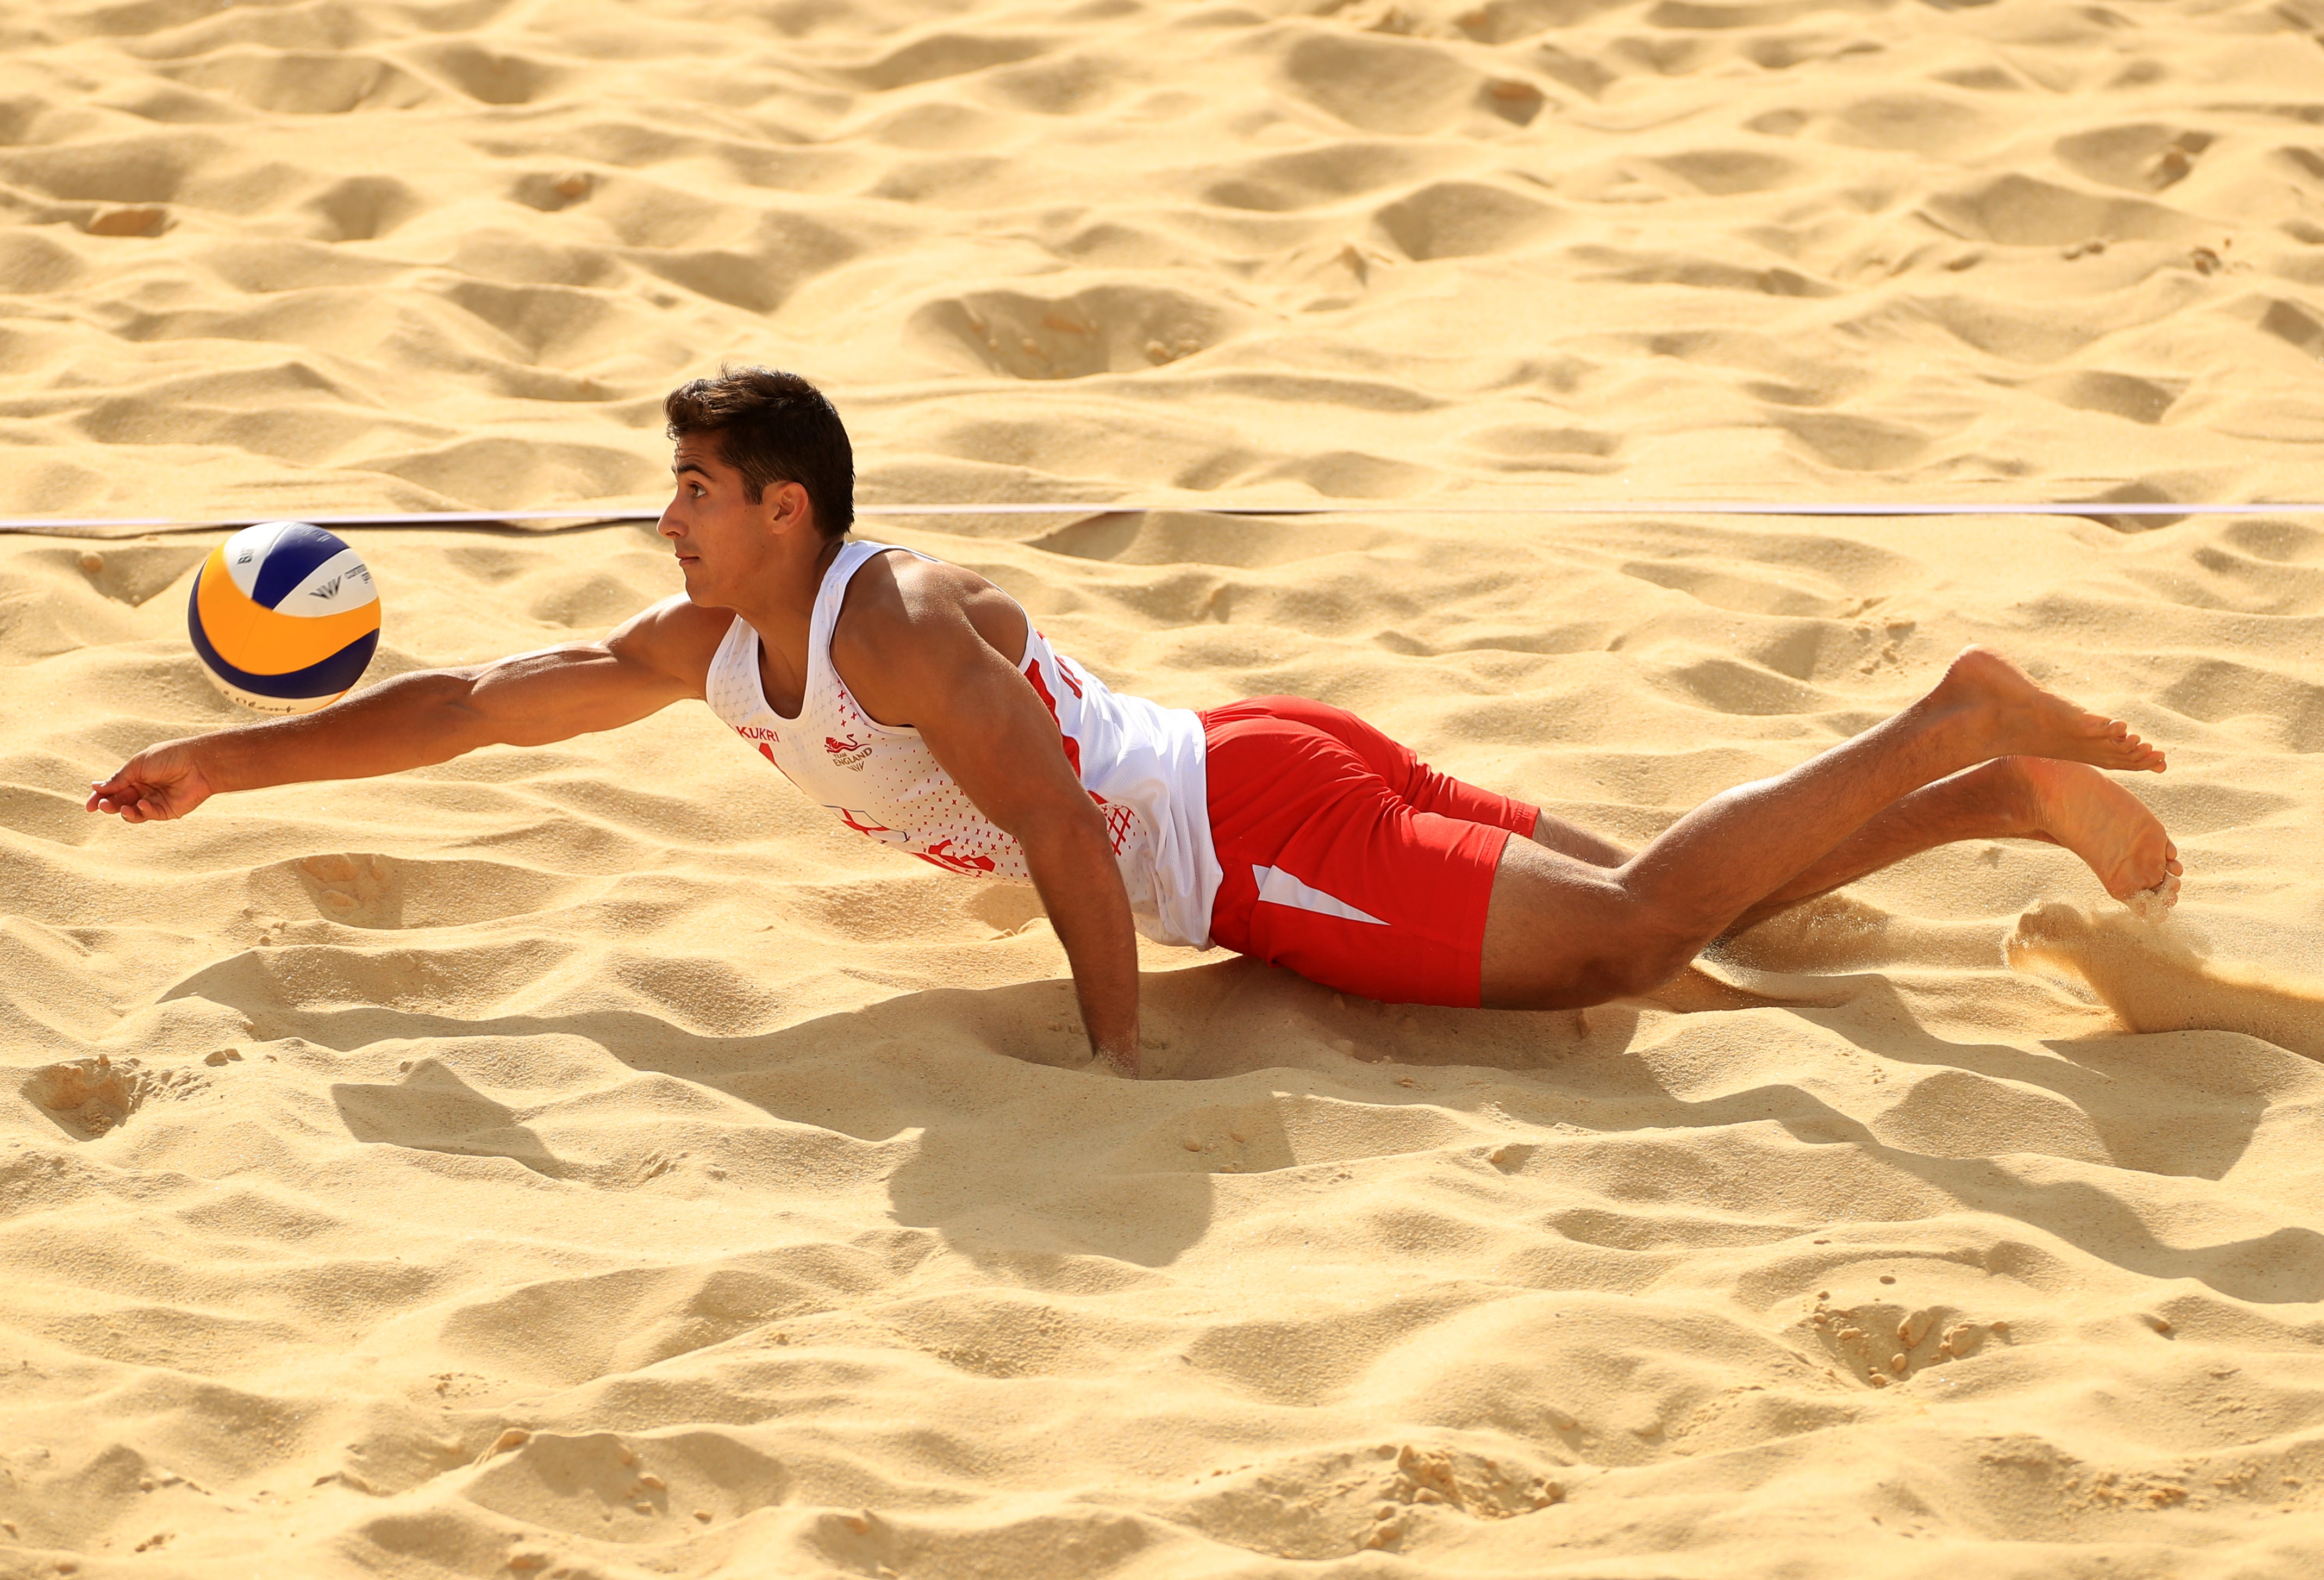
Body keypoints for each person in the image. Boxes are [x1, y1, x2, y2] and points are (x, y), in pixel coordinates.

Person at [86, 367, 2181, 1077]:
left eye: (701, 489)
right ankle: (1988, 783)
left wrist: (1113, 1052)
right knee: (1659, 913)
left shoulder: (884, 620)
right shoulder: (703, 642)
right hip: (1269, 762)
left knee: (1631, 942)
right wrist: (226, 759)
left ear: (788, 506)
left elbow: (1074, 842)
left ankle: (1945, 716)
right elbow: (458, 709)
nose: (671, 513)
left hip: (1249, 844)